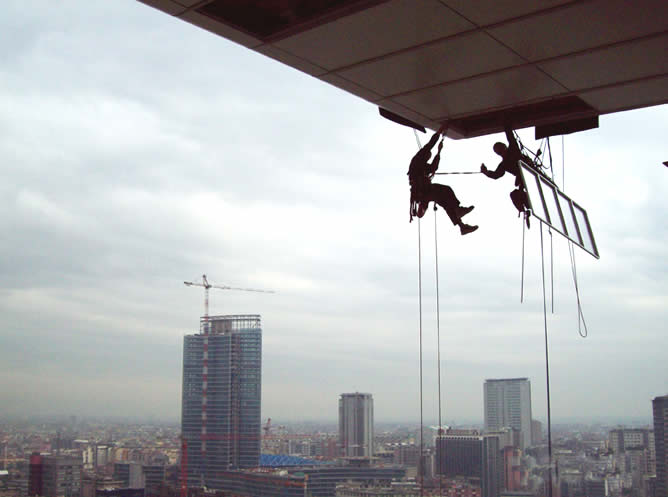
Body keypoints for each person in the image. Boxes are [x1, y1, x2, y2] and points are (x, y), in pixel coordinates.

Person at [408, 124, 478, 235]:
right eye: (428, 156)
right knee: (446, 190)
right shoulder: (417, 160)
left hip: (424, 192)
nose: (428, 157)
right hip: (422, 191)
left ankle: (461, 226)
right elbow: (430, 145)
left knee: (446, 203)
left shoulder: (422, 166)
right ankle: (458, 210)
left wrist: (439, 152)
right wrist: (439, 131)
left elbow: (433, 167)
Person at [480, 126, 535, 226]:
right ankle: (527, 208)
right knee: (514, 194)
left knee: (516, 194)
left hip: (529, 175)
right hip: (525, 178)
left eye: (500, 150)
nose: (501, 152)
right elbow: (496, 175)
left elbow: (510, 136)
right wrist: (486, 172)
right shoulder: (504, 163)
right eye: (499, 151)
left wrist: (506, 124)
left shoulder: (512, 151)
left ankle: (527, 207)